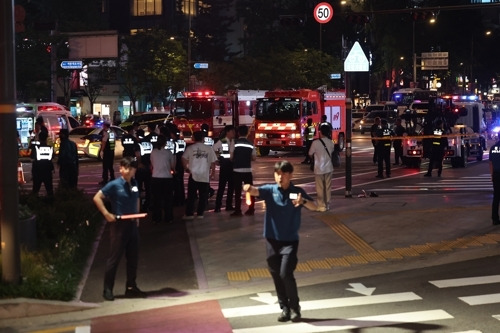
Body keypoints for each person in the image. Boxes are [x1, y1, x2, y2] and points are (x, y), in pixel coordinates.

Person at [243, 161, 317, 322]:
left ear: (290, 174)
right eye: (277, 173)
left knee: (285, 274)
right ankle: (285, 308)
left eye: (283, 173)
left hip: (290, 242)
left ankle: (295, 308)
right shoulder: (270, 191)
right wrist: (248, 188)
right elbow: (256, 191)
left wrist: (302, 201)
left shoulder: (297, 192)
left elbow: (314, 206)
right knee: (276, 275)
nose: (280, 177)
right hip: (271, 241)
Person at [93, 157, 146, 301]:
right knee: (114, 259)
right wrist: (106, 214)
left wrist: (137, 217)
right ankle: (107, 289)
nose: (130, 171)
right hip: (119, 226)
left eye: (133, 168)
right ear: (121, 169)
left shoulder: (135, 183)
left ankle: (131, 286)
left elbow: (137, 199)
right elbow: (97, 198)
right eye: (127, 168)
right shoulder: (114, 185)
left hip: (132, 225)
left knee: (133, 258)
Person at [182, 131, 217, 219]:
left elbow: (183, 158)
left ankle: (189, 214)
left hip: (193, 175)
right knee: (203, 196)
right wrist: (212, 173)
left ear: (193, 138)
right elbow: (213, 162)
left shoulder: (190, 148)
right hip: (204, 175)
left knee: (191, 196)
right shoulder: (209, 148)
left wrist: (186, 168)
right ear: (203, 139)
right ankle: (200, 213)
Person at [231, 125, 257, 216]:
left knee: (237, 191)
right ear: (247, 133)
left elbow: (231, 157)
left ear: (238, 133)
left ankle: (238, 210)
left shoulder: (234, 142)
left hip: (237, 170)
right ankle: (251, 209)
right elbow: (254, 158)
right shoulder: (251, 144)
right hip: (247, 170)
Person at [308, 124, 335, 212]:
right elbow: (332, 152)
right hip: (329, 168)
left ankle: (321, 205)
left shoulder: (315, 143)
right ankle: (327, 204)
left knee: (320, 188)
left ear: (321, 132)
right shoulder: (331, 142)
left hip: (319, 168)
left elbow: (310, 153)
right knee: (327, 187)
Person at [150, 134, 176, 224]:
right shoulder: (169, 153)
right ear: (165, 143)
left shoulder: (153, 152)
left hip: (156, 177)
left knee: (157, 199)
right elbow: (172, 166)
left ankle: (156, 218)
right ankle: (168, 218)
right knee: (168, 199)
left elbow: (152, 164)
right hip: (167, 177)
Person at [212, 125, 236, 212]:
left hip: (232, 166)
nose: (234, 133)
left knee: (231, 187)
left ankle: (228, 205)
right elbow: (213, 149)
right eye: (232, 131)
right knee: (222, 186)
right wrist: (217, 159)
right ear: (227, 132)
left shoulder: (234, 141)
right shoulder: (222, 141)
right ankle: (218, 206)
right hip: (225, 166)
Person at [30, 130, 54, 196]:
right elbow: (52, 157)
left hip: (37, 170)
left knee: (35, 189)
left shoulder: (36, 148)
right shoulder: (50, 148)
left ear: (39, 138)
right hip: (47, 170)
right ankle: (51, 203)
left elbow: (32, 157)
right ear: (46, 138)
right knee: (49, 189)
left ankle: (33, 203)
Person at [489, 134, 500, 225]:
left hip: (496, 175)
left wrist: (492, 175)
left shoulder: (493, 148)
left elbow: (491, 163)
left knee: (496, 197)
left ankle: (495, 218)